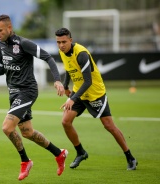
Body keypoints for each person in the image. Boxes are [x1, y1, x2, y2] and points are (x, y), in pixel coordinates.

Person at [0, 14, 68, 181]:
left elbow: (48, 57)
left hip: (27, 91)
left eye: (0, 30)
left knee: (7, 128)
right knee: (28, 132)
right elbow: (1, 68)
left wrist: (57, 80)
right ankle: (59, 154)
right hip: (14, 93)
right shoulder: (0, 45)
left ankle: (25, 161)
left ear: (9, 28)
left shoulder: (23, 43)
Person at [55, 28, 138, 170]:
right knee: (66, 122)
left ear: (70, 40)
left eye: (64, 42)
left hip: (94, 92)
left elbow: (88, 82)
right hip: (78, 92)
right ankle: (81, 152)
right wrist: (66, 85)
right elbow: (69, 69)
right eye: (58, 42)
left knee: (109, 126)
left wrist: (73, 98)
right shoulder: (62, 52)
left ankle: (130, 157)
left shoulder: (81, 54)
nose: (61, 45)